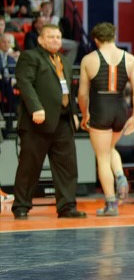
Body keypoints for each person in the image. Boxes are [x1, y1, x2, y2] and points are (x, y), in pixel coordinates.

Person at [12, 24, 86, 219]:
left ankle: (67, 207)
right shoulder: (30, 57)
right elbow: (24, 83)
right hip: (37, 122)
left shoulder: (63, 60)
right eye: (51, 37)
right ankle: (21, 206)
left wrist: (75, 114)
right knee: (30, 166)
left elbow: (68, 91)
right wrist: (36, 107)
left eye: (58, 37)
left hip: (63, 120)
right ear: (40, 39)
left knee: (67, 167)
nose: (55, 40)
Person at [78, 23, 134, 216]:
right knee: (110, 149)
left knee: (102, 157)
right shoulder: (129, 59)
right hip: (120, 110)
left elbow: (82, 94)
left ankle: (111, 204)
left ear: (96, 40)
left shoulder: (89, 59)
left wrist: (84, 114)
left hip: (100, 107)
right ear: (114, 36)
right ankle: (121, 175)